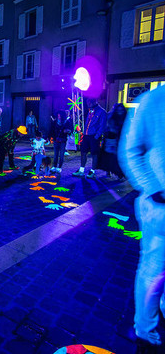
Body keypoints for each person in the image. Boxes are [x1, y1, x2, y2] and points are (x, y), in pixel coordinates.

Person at [119, 85, 165, 353]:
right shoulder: (154, 99)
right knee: (154, 268)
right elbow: (130, 149)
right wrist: (154, 188)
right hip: (160, 207)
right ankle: (145, 329)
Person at [72, 97, 107, 179]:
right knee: (83, 152)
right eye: (87, 102)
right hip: (86, 135)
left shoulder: (102, 112)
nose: (88, 104)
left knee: (94, 154)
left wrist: (96, 136)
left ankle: (93, 171)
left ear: (94, 101)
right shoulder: (90, 110)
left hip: (94, 136)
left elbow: (102, 126)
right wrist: (84, 134)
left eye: (89, 103)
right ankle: (81, 170)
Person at [99, 103, 127, 179]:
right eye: (118, 110)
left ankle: (118, 174)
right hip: (112, 139)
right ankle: (110, 171)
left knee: (118, 157)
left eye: (121, 110)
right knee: (111, 156)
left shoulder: (124, 118)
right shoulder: (112, 117)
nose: (120, 111)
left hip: (119, 140)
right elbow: (110, 128)